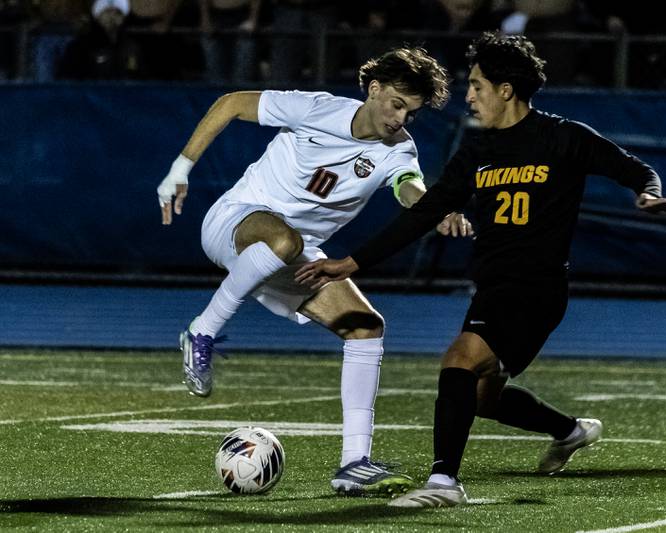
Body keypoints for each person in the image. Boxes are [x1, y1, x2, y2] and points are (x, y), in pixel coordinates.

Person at [296, 31, 666, 508]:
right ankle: (570, 431)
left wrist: (647, 193)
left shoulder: (562, 137)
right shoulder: (477, 153)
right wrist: (351, 263)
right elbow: (423, 214)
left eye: (478, 85)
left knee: (460, 358)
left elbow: (633, 168)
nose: (469, 95)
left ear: (507, 90)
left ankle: (444, 482)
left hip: (537, 289)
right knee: (481, 398)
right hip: (493, 288)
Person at [156, 47, 473, 496]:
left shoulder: (398, 148)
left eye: (412, 112)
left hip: (289, 254)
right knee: (288, 241)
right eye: (397, 103)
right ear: (374, 89)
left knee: (366, 327)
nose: (401, 118)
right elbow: (230, 103)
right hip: (235, 221)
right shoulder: (315, 108)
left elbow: (408, 187)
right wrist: (180, 168)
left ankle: (353, 464)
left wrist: (434, 210)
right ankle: (201, 331)